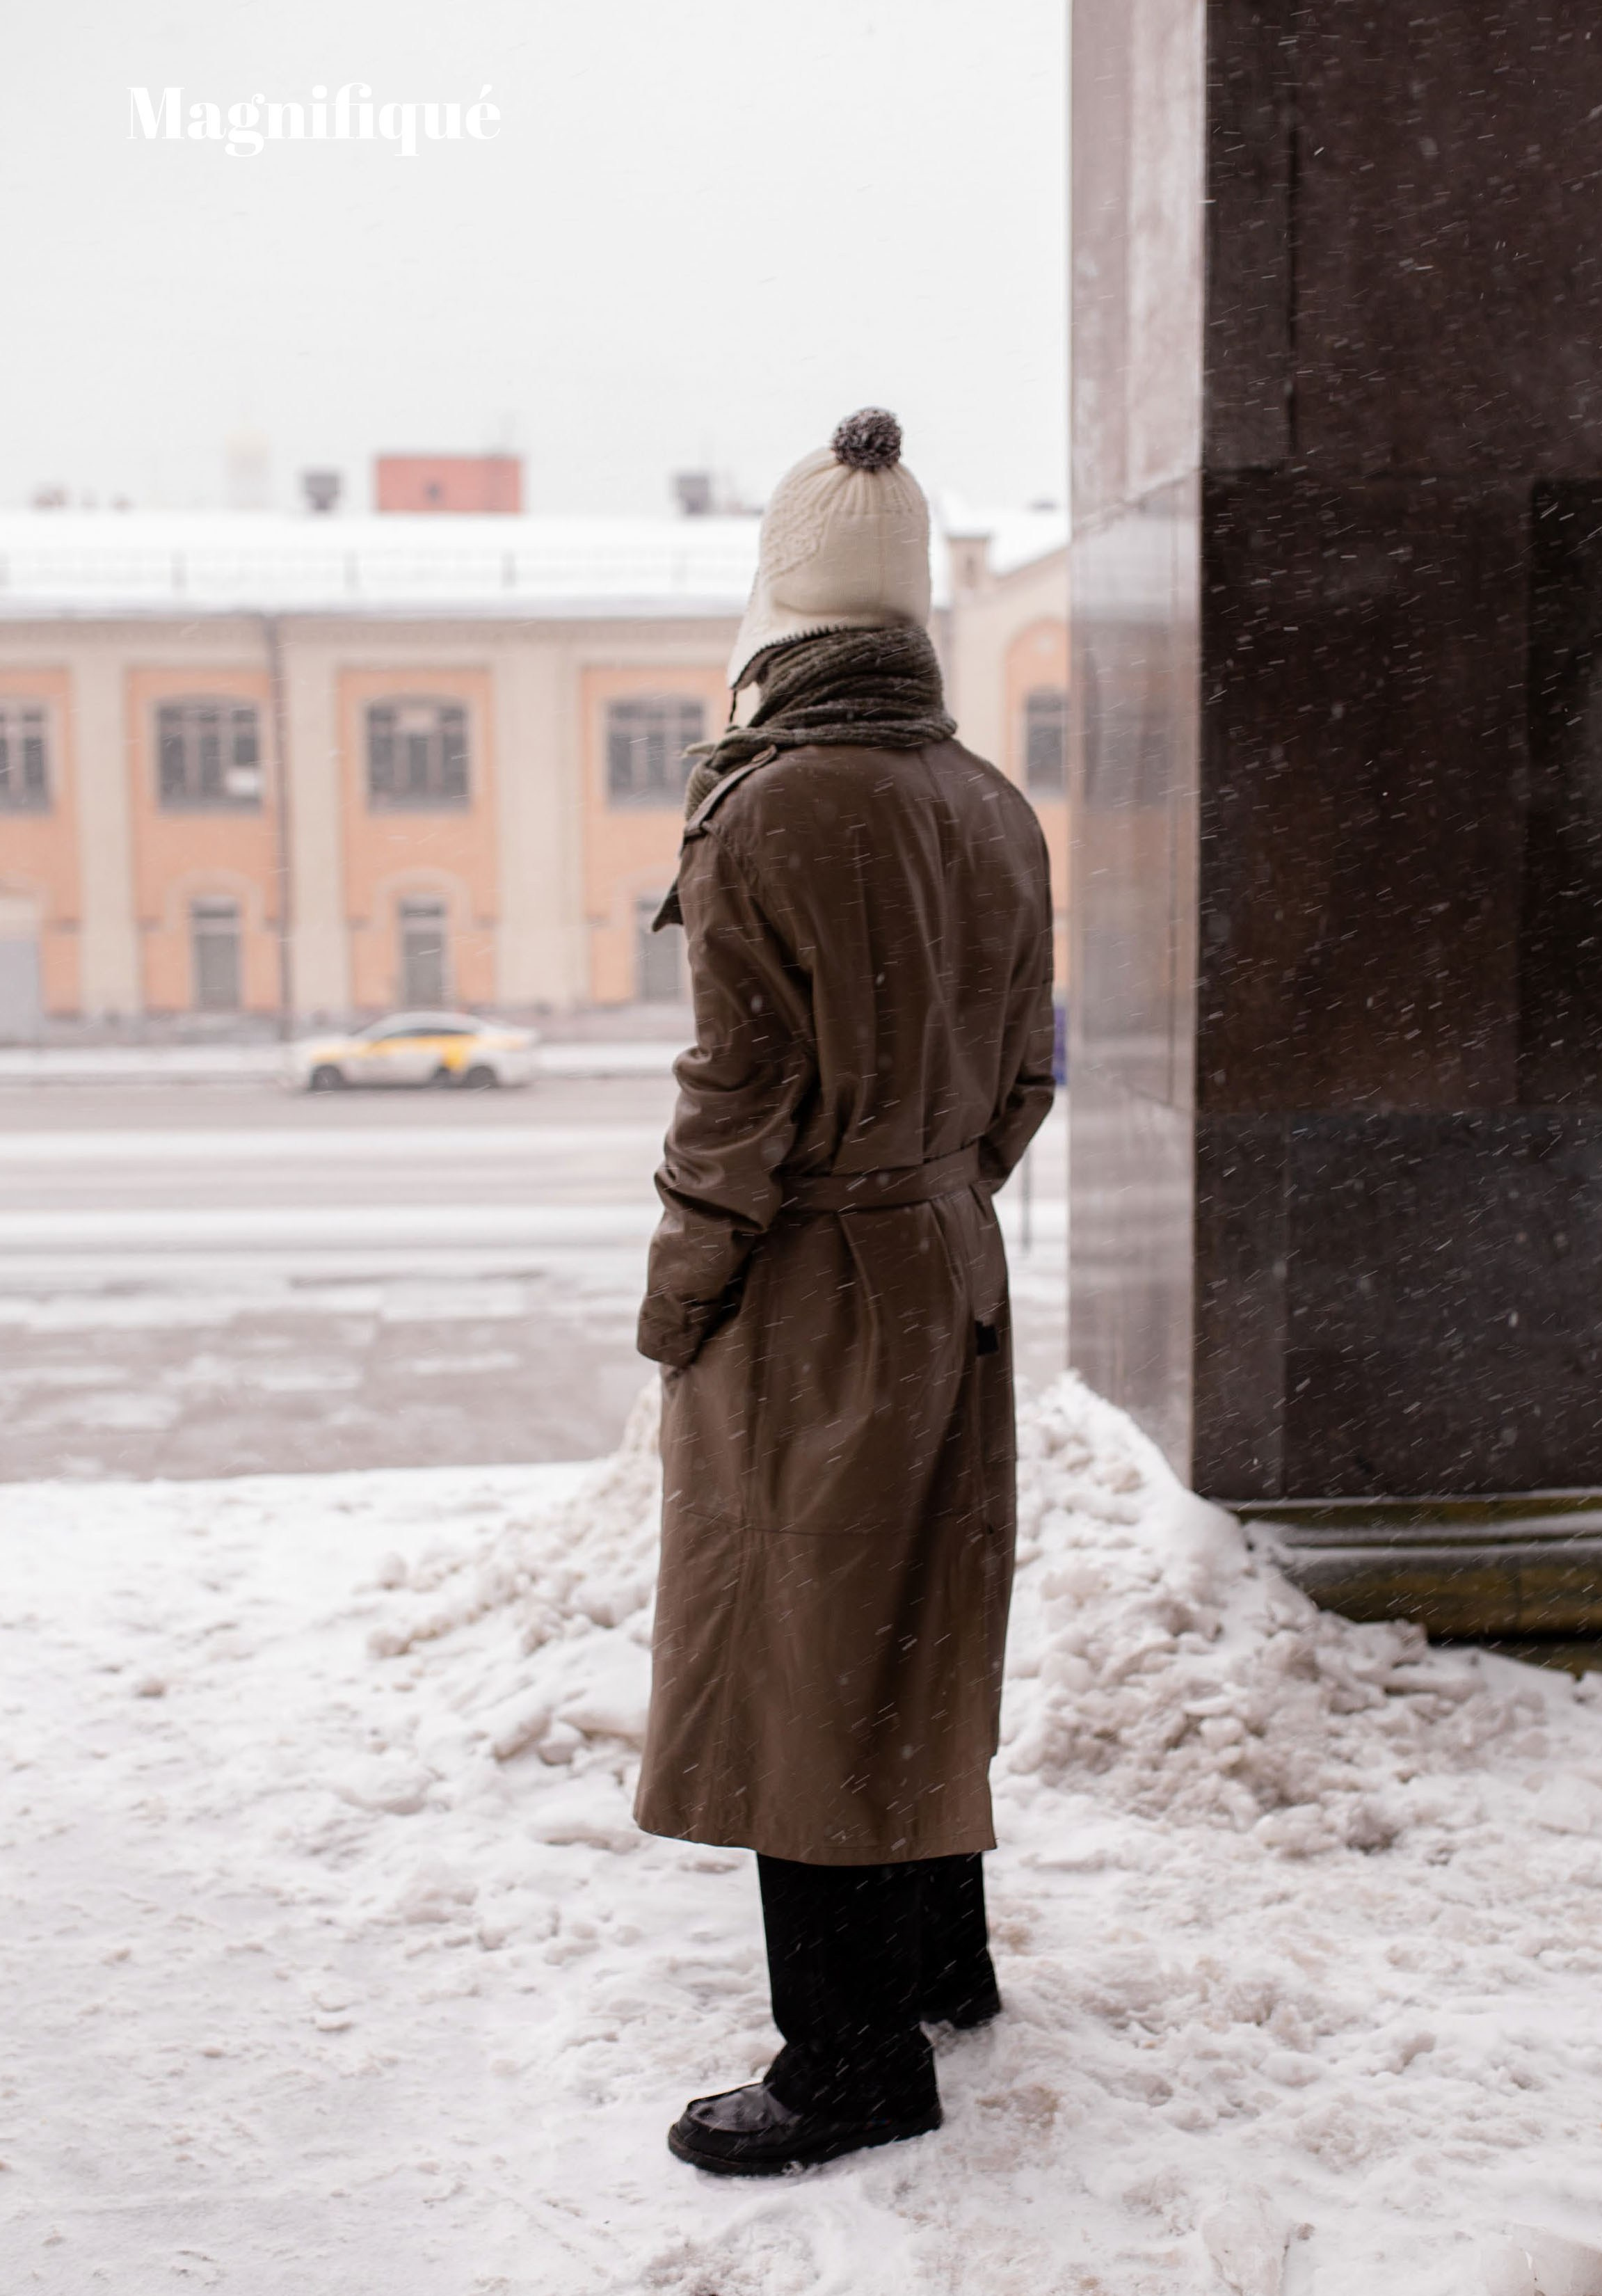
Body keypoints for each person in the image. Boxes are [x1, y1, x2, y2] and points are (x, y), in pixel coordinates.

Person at [632, 408, 1055, 2176]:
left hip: (811, 1284)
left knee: (800, 1650)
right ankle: (941, 1962)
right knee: (912, 1618)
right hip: (951, 1260)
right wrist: (936, 1196)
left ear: (780, 619)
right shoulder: (989, 802)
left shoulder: (765, 808)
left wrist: (682, 1298)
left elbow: (737, 1109)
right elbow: (1029, 1073)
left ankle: (850, 2060)